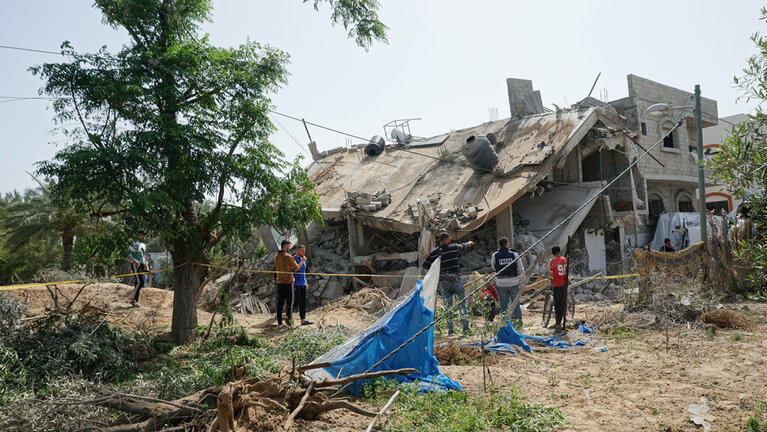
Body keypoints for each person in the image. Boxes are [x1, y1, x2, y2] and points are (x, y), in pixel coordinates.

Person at [423, 232, 475, 335]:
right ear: (447, 239)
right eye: (449, 239)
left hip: (444, 282)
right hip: (456, 280)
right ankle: (465, 329)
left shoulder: (435, 252)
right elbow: (464, 245)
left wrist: (434, 274)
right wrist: (469, 242)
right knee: (462, 305)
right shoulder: (454, 247)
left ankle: (451, 331)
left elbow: (425, 265)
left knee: (448, 307)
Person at [491, 237, 525, 325]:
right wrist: (521, 281)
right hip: (513, 282)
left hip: (501, 283)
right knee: (515, 304)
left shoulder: (495, 255)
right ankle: (518, 323)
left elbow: (494, 267)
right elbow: (520, 269)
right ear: (507, 244)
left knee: (504, 305)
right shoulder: (514, 254)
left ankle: (504, 324)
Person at [274, 240, 305, 328]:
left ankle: (280, 324)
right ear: (286, 246)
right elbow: (296, 268)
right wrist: (302, 261)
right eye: (289, 246)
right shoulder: (288, 256)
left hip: (279, 283)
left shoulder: (276, 257)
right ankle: (290, 324)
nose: (290, 248)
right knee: (289, 304)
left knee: (279, 304)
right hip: (288, 283)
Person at [127, 229, 151, 307]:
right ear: (138, 235)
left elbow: (145, 256)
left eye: (144, 235)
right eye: (142, 235)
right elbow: (128, 254)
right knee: (139, 281)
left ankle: (135, 300)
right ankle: (133, 300)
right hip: (136, 265)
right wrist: (135, 261)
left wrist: (147, 266)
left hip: (142, 265)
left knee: (141, 281)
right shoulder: (135, 244)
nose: (143, 236)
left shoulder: (143, 245)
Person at [547, 246, 568, 330]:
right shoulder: (564, 259)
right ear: (559, 251)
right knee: (563, 303)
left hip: (557, 284)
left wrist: (551, 277)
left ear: (552, 253)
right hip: (565, 283)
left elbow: (550, 274)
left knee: (558, 304)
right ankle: (564, 320)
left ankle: (558, 324)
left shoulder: (552, 261)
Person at [293, 244, 313, 326]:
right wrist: (302, 261)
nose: (304, 252)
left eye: (304, 251)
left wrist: (306, 282)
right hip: (296, 284)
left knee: (303, 302)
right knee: (295, 302)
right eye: (302, 250)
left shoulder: (303, 259)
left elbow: (303, 273)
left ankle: (303, 319)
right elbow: (296, 269)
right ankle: (287, 316)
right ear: (298, 251)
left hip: (303, 283)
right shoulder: (294, 259)